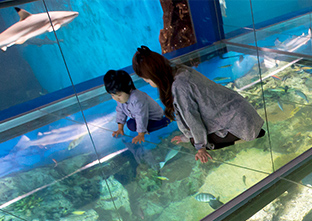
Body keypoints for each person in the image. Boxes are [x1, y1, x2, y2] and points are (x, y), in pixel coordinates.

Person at [131, 46, 265, 163]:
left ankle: (243, 137)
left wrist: (200, 147)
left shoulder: (179, 86)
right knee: (193, 138)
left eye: (147, 81)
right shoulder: (179, 70)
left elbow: (192, 118)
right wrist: (186, 136)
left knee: (197, 142)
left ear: (156, 76)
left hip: (241, 123)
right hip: (243, 112)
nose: (149, 84)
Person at [104, 69, 170, 144]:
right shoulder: (121, 98)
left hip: (154, 117)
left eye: (119, 95)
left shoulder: (137, 99)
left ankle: (165, 121)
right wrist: (120, 128)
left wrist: (140, 134)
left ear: (128, 89)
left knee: (133, 126)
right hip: (142, 117)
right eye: (112, 95)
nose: (116, 98)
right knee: (131, 125)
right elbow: (120, 111)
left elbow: (141, 116)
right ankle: (144, 128)